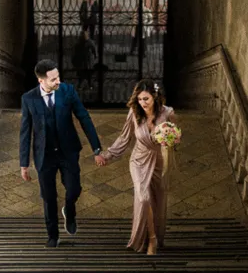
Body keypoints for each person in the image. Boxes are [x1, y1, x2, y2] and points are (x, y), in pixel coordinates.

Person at [19, 59, 103, 247]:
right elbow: (25, 132)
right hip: (44, 155)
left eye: (58, 77)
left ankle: (69, 210)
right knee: (48, 197)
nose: (58, 81)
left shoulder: (68, 91)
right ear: (41, 80)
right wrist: (24, 164)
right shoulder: (28, 98)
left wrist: (96, 148)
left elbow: (84, 117)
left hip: (68, 150)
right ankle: (53, 236)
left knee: (74, 189)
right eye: (53, 79)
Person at [95, 79, 176, 255]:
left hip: (159, 161)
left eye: (146, 99)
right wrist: (107, 155)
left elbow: (175, 137)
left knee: (158, 201)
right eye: (139, 99)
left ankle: (153, 236)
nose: (142, 103)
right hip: (138, 161)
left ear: (155, 97)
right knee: (144, 197)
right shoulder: (134, 112)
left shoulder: (168, 113)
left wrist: (171, 139)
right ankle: (151, 240)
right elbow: (124, 138)